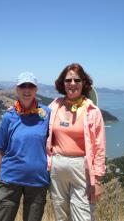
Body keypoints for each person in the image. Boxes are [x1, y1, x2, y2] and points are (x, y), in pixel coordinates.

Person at [46, 63, 106, 221]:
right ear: (62, 83)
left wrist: (98, 180)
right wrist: (17, 110)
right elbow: (37, 117)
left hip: (82, 168)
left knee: (83, 215)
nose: (72, 84)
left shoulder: (92, 111)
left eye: (77, 80)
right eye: (68, 80)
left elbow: (100, 147)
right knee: (61, 215)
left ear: (84, 83)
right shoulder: (55, 105)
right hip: (57, 166)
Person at [0, 72, 51, 221]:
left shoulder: (47, 114)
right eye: (22, 86)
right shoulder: (9, 117)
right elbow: (1, 149)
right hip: (10, 179)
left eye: (30, 86)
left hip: (37, 181)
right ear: (17, 90)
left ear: (36, 89)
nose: (27, 90)